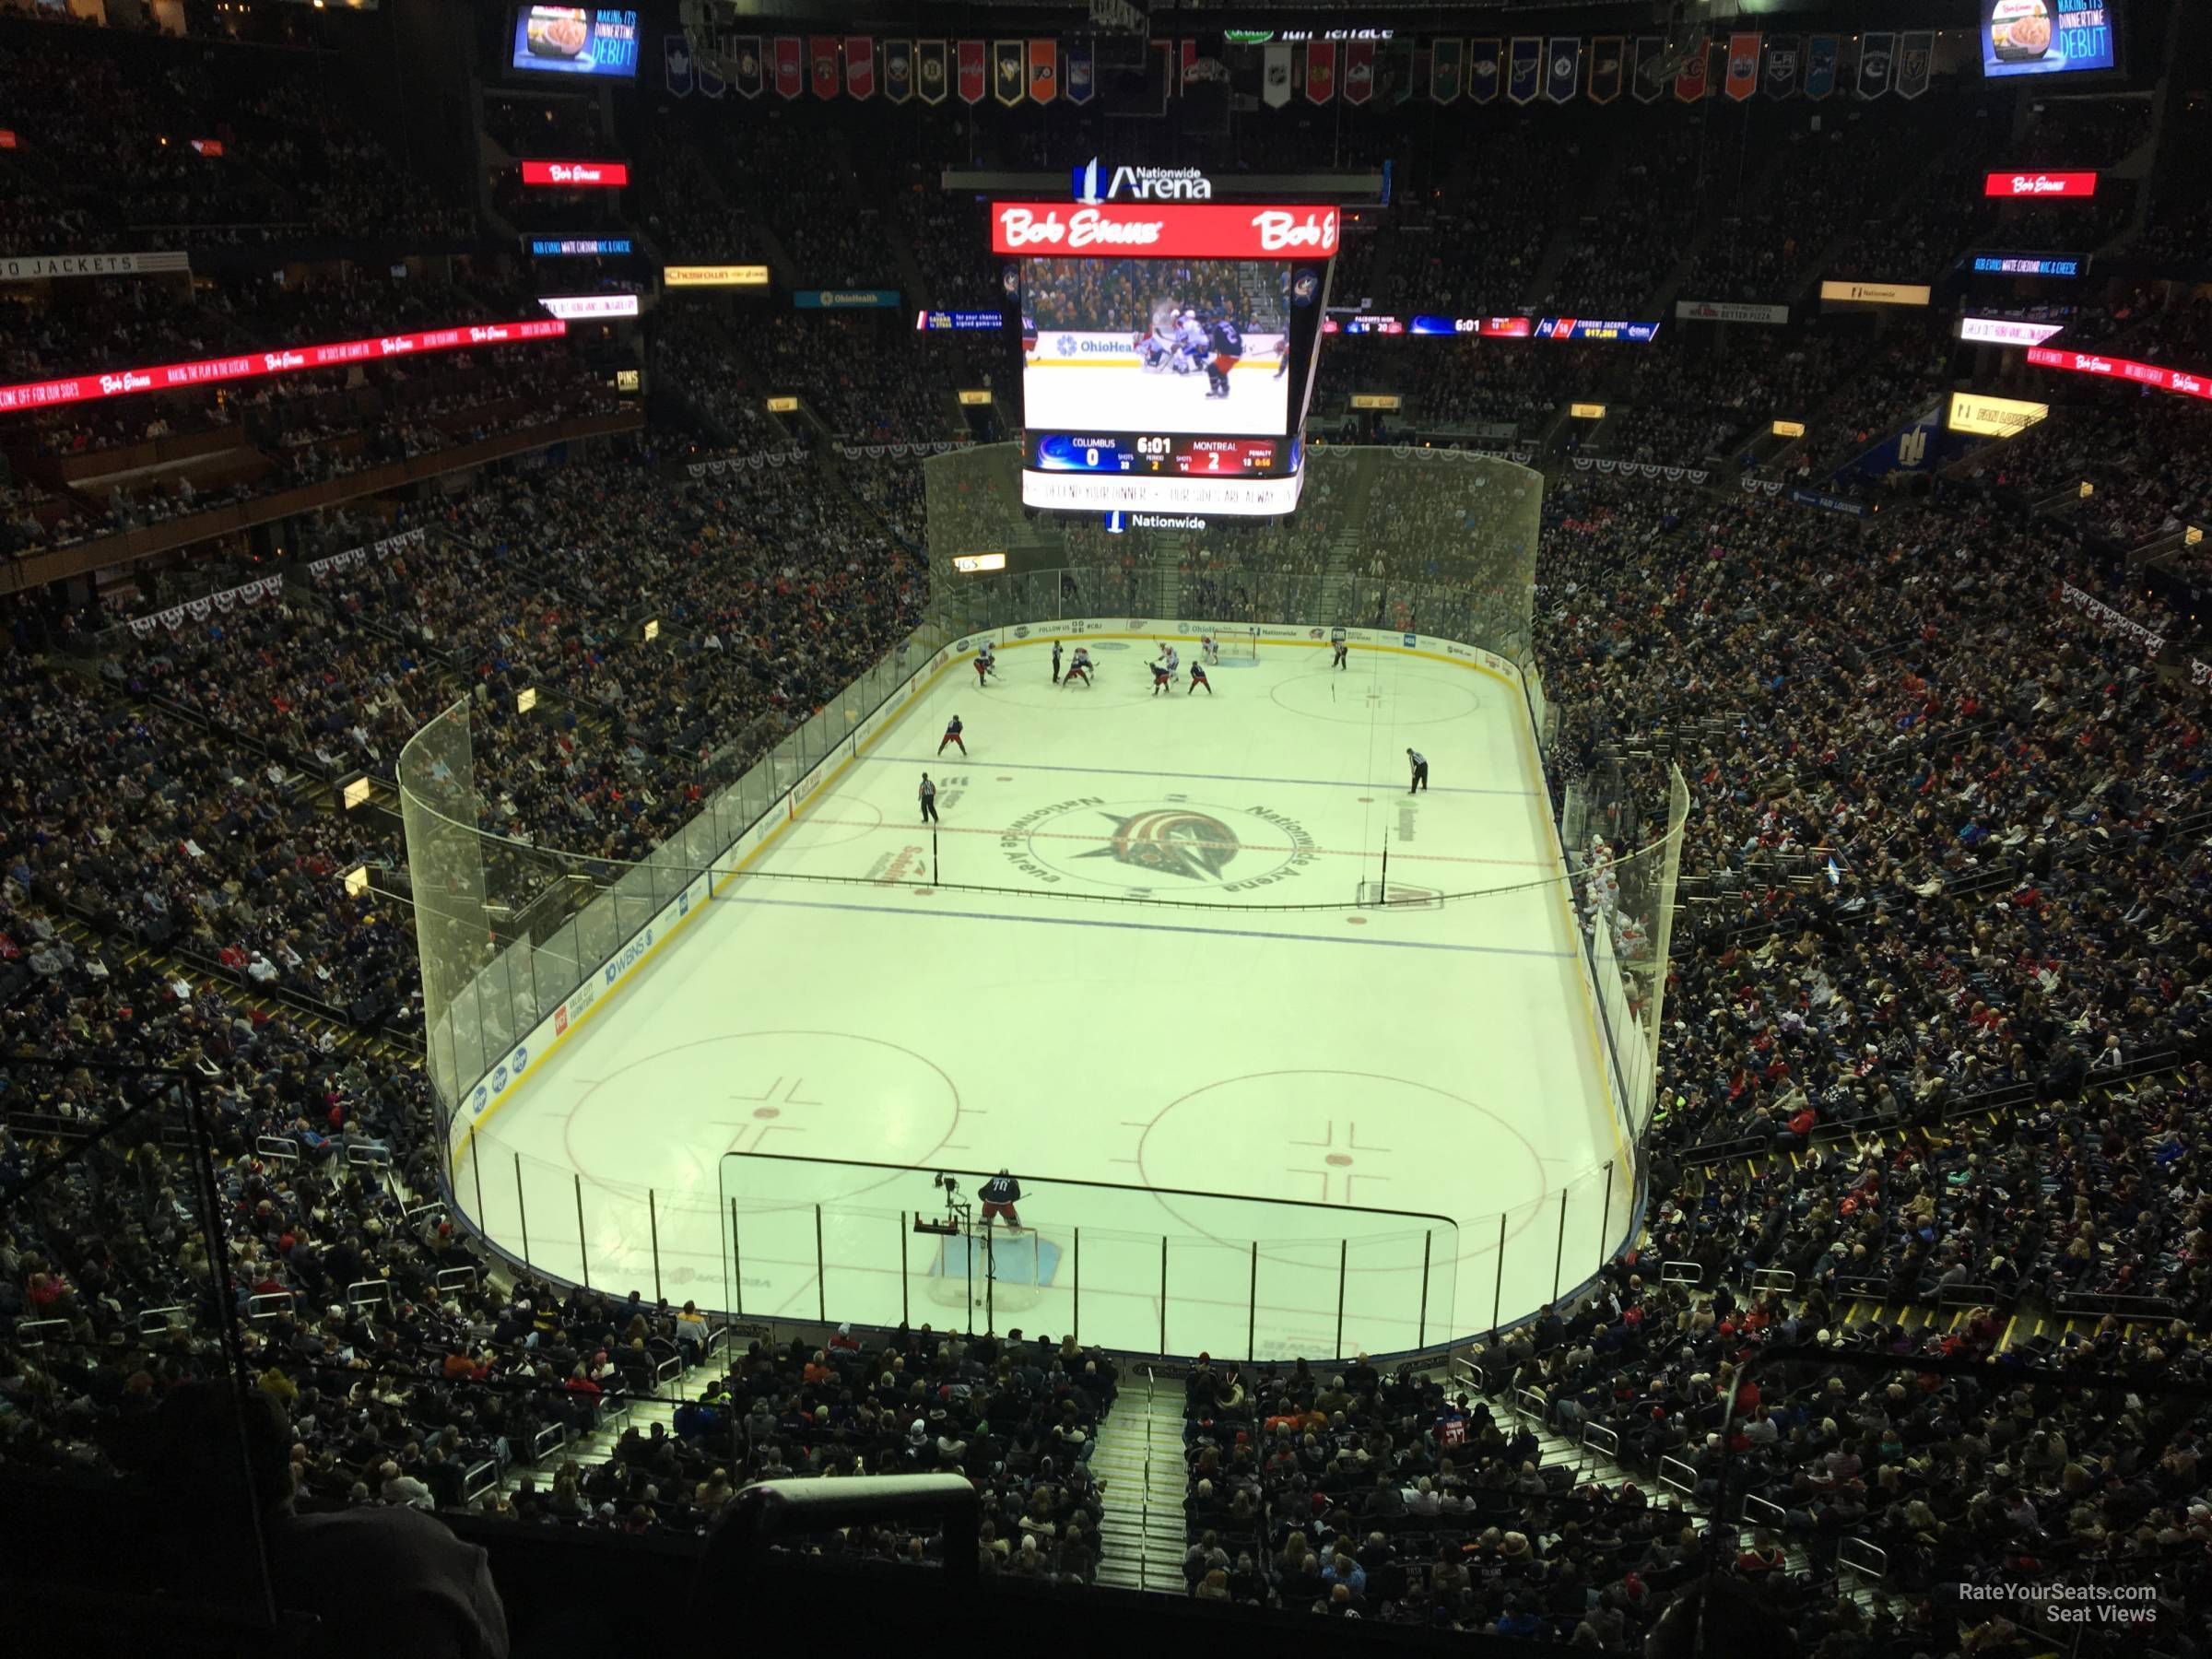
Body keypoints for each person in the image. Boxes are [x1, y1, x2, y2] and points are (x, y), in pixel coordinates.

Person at [1204, 312, 1244, 401]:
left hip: (1229, 354)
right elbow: (1239, 338)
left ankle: (1214, 390)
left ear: (1215, 319)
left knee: (1212, 368)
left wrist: (1207, 349)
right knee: (1221, 369)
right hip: (1237, 353)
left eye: (1211, 319)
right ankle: (1225, 389)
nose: (1210, 321)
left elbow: (1214, 346)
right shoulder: (1228, 324)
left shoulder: (1217, 328)